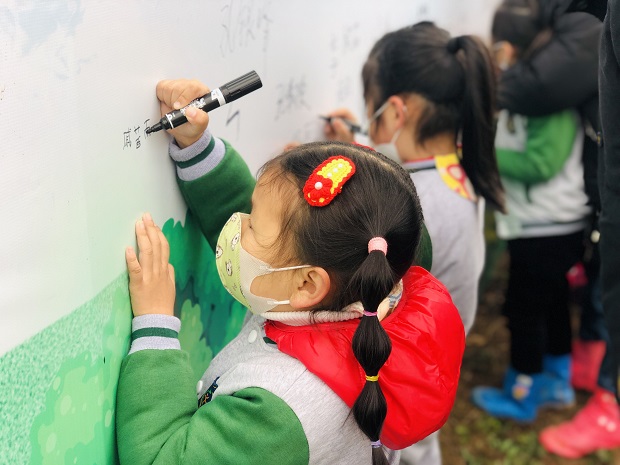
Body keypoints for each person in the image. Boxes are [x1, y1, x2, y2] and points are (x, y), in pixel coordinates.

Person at [115, 79, 467, 465]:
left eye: (251, 225)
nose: (238, 225)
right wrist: (196, 146)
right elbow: (276, 243)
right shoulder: (368, 277)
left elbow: (163, 459)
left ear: (307, 283)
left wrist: (155, 326)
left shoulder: (279, 411)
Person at [324, 22, 505, 465]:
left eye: (371, 108)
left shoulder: (420, 208)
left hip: (398, 390)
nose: (368, 118)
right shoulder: (452, 172)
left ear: (396, 111)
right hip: (430, 371)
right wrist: (360, 151)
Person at [472, 0, 593, 423]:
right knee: (552, 303)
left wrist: (481, 156)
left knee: (523, 311)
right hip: (545, 223)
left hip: (546, 225)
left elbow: (542, 164)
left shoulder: (547, 96)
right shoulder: (539, 85)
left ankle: (522, 392)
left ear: (510, 47)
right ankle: (556, 381)